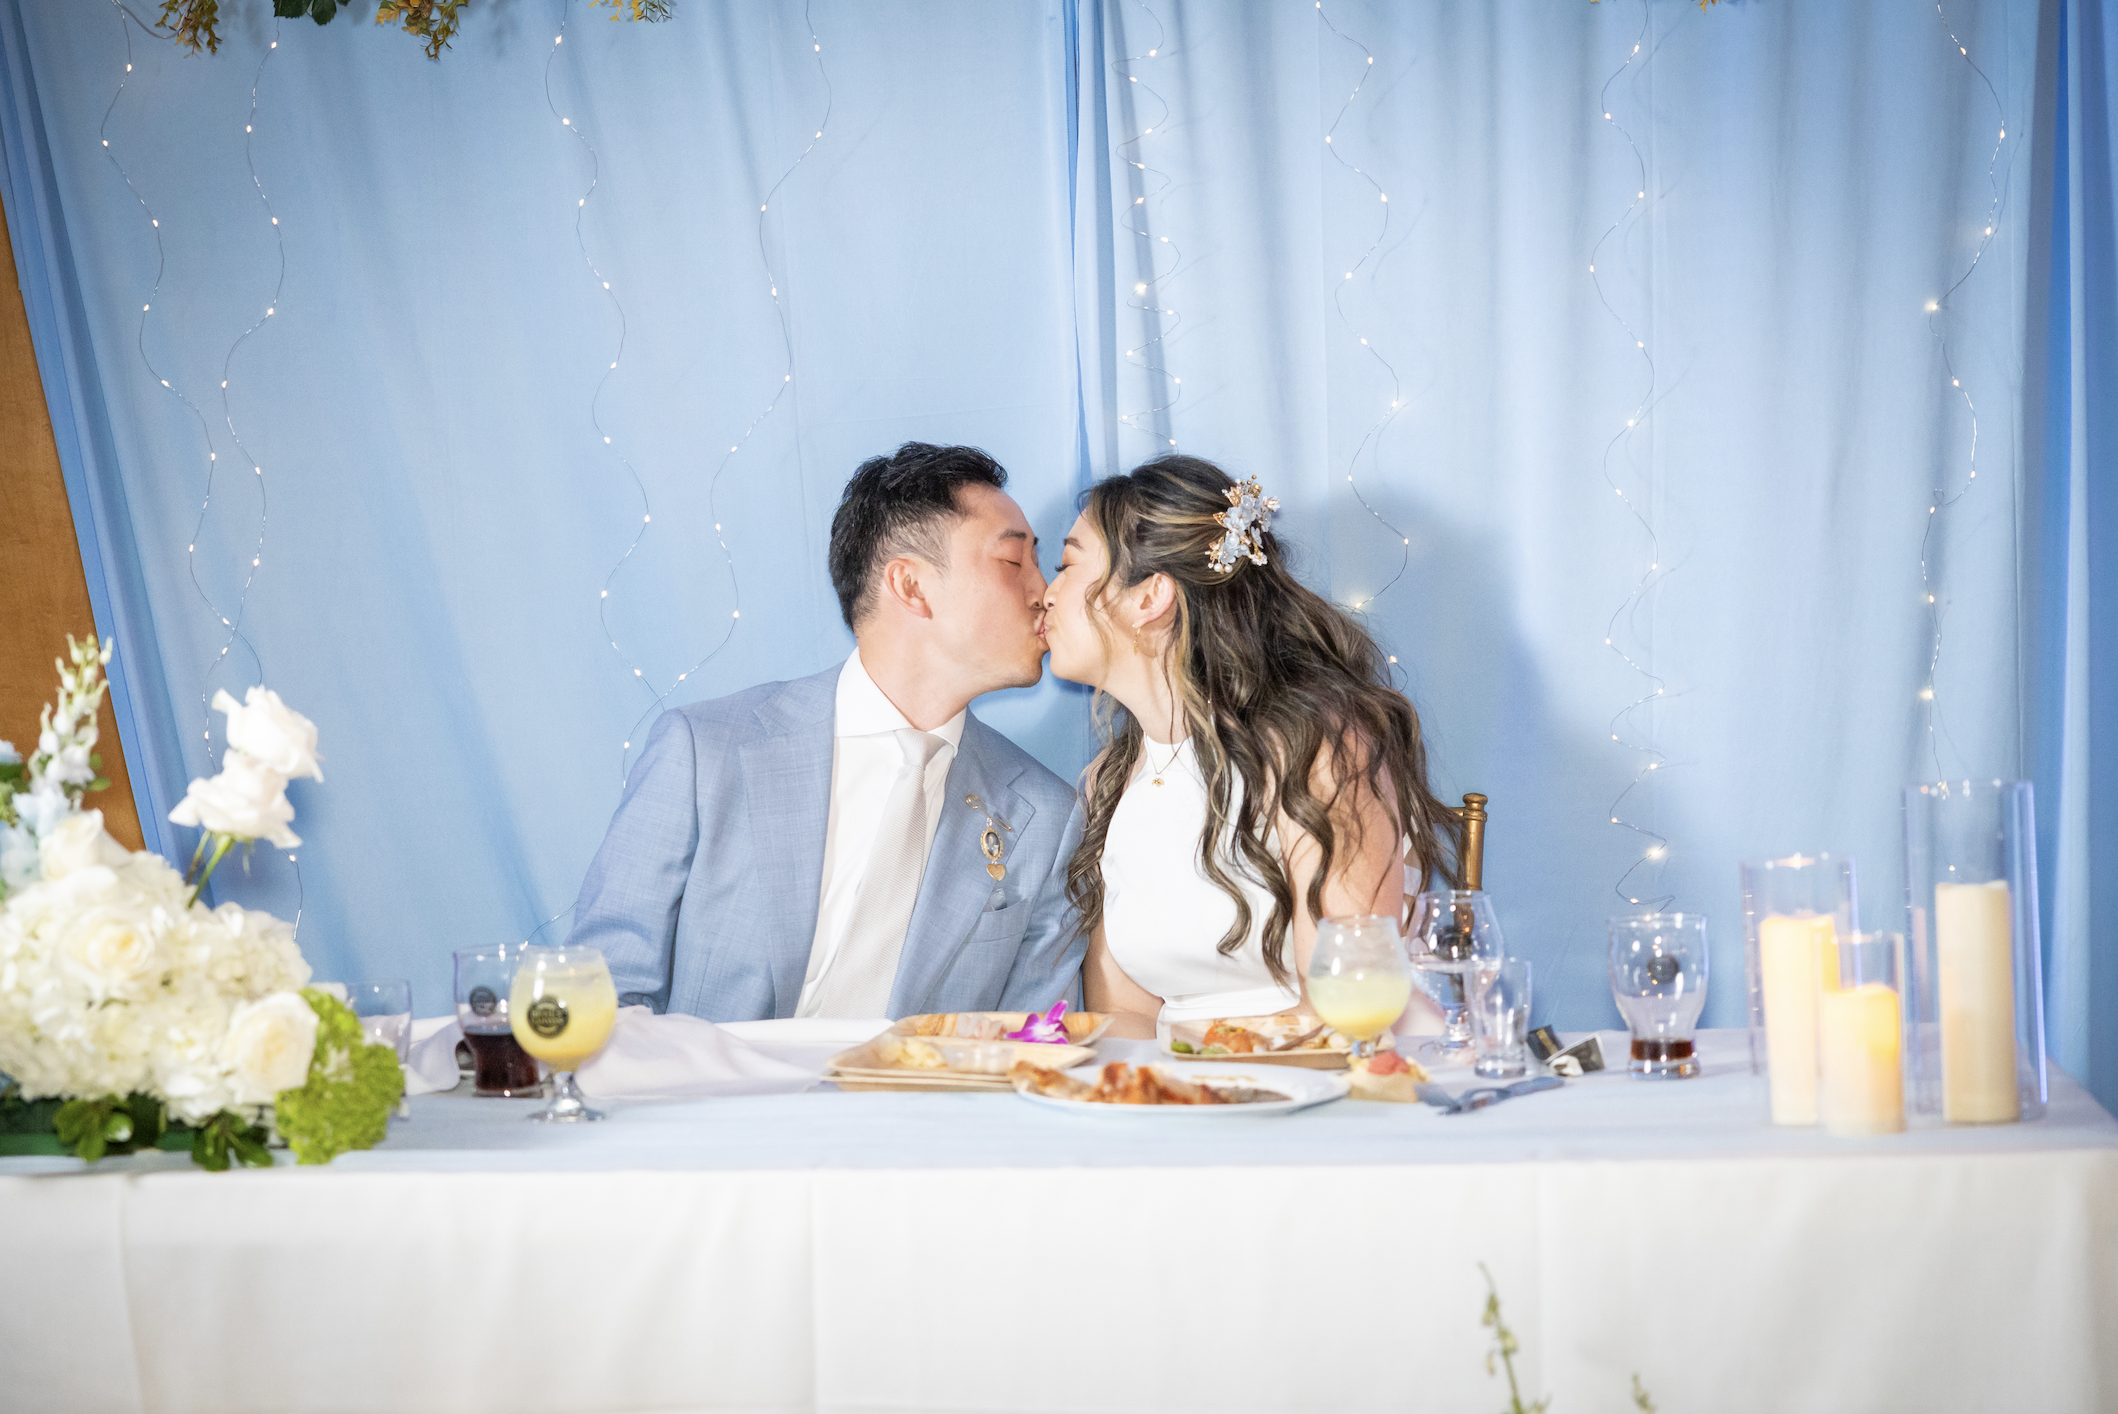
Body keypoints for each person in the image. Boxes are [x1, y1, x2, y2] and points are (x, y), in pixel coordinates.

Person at [568, 443, 1086, 1021]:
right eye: (1015, 563)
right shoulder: (704, 752)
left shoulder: (1047, 816)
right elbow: (602, 992)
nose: (1046, 592)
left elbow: (1035, 1041)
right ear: (911, 586)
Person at [1038, 454, 1459, 1040]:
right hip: (1183, 1097)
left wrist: (1209, 1085)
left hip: (1327, 1083)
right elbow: (1127, 1015)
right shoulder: (1108, 780)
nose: (1045, 594)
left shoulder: (1319, 748)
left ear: (1150, 597)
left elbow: (1341, 1005)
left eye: (1065, 566)